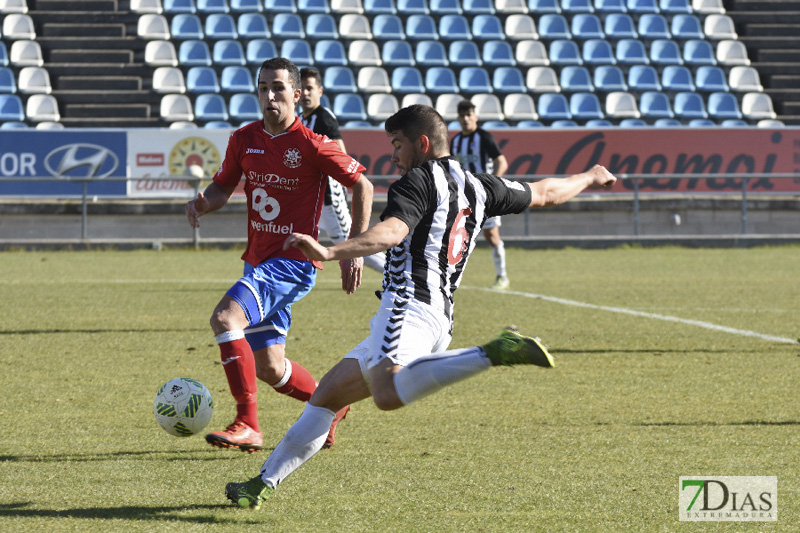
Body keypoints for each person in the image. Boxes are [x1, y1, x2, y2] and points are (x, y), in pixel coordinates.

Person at [223, 104, 617, 508]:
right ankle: (262, 484)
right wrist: (589, 175)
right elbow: (547, 193)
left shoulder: (415, 181)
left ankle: (492, 352)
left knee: (387, 393)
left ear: (422, 143)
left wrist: (330, 250)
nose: (393, 155)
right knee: (326, 395)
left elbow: (392, 232)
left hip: (408, 306)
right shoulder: (480, 186)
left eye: (397, 144)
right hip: (437, 319)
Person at [184, 57, 374, 453]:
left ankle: (247, 424)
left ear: (297, 95)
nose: (270, 96)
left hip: (293, 262)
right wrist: (203, 203)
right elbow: (222, 188)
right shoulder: (244, 139)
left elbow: (364, 185)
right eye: (263, 88)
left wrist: (352, 249)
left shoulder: (313, 144)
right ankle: (332, 406)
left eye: (278, 88)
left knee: (225, 317)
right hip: (258, 259)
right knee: (270, 367)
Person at [298, 67, 385, 273]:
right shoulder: (302, 118)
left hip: (329, 194)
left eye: (310, 88)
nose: (306, 93)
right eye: (302, 89)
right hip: (312, 196)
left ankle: (397, 275)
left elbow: (340, 154)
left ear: (320, 91)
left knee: (350, 244)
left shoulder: (324, 118)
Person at [450, 99, 511, 290]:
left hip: (486, 196)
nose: (466, 119)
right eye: (462, 115)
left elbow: (502, 162)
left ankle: (502, 276)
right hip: (465, 197)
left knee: (492, 235)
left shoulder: (484, 137)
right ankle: (451, 277)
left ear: (475, 116)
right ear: (458, 118)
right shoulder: (456, 141)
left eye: (469, 115)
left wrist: (493, 185)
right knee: (456, 235)